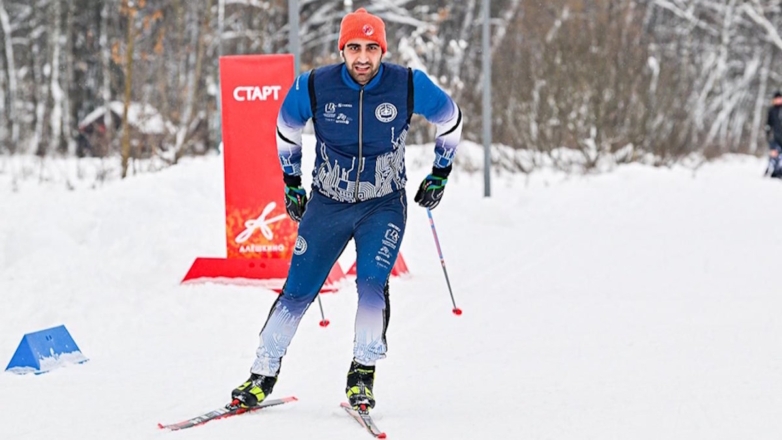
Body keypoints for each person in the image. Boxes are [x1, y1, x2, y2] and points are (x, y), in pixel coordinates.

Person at [230, 8, 463, 413]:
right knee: (297, 291)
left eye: (372, 48)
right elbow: (286, 126)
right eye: (354, 47)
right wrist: (291, 183)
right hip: (328, 204)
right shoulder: (315, 85)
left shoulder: (407, 84)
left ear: (381, 50)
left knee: (372, 283)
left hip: (383, 205)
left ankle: (362, 375)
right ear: (342, 48)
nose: (362, 57)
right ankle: (261, 376)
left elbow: (451, 120)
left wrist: (439, 173)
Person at [765, 91, 782, 178]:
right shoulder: (772, 110)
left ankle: (780, 171)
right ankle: (773, 170)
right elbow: (769, 122)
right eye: (777, 99)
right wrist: (767, 131)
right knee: (774, 153)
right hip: (775, 135)